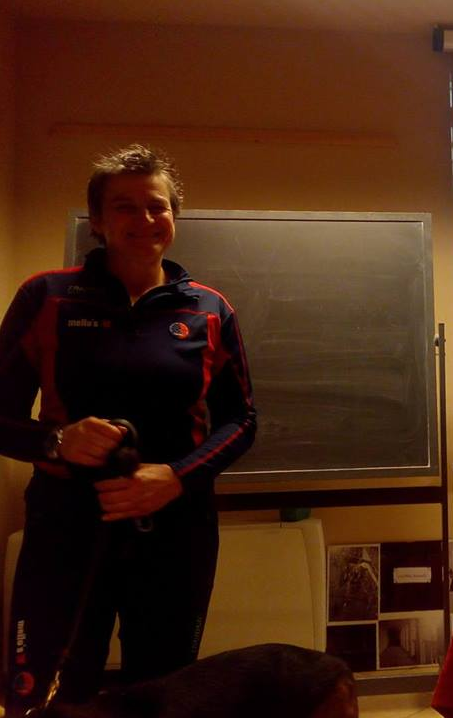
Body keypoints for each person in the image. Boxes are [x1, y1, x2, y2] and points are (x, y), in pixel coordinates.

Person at [0, 145, 257, 714]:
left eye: (157, 206)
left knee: (164, 694)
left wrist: (176, 477)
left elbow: (242, 420)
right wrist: (56, 441)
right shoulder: (46, 296)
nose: (145, 219)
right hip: (66, 528)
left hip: (176, 531)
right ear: (97, 220)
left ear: (174, 216)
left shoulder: (209, 309)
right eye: (124, 207)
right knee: (49, 695)